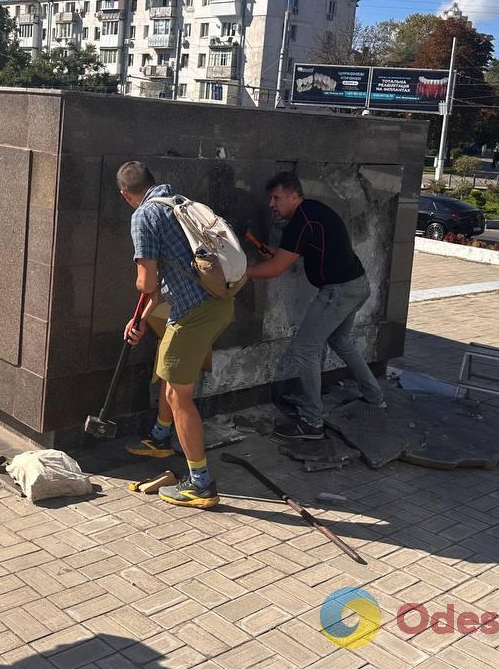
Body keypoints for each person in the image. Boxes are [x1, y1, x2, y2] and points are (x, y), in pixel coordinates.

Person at [117, 161, 234, 509]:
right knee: (173, 381)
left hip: (193, 313)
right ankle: (162, 437)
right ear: (154, 181)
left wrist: (140, 285)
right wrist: (138, 318)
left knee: (178, 394)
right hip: (218, 301)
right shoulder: (178, 201)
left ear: (126, 195)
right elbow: (161, 287)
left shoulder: (142, 216)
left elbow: (147, 282)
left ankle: (200, 483)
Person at [246, 172, 385, 440]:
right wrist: (274, 252)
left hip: (339, 290)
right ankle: (375, 397)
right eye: (270, 199)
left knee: (305, 347)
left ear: (294, 195)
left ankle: (312, 422)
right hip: (357, 284)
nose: (271, 204)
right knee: (340, 340)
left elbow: (276, 269)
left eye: (276, 198)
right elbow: (290, 253)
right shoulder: (312, 212)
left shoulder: (302, 221)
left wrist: (241, 273)